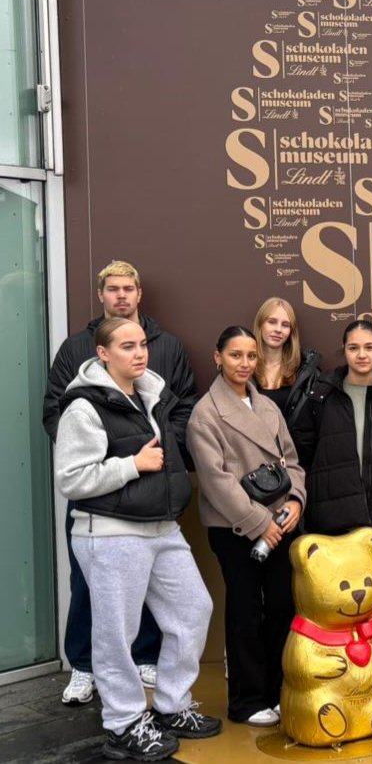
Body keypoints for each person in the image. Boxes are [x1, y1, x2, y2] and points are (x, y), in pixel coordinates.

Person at [54, 317, 218, 761]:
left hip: (161, 527)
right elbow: (71, 478)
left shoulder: (152, 395)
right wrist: (133, 464)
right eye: (127, 346)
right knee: (116, 634)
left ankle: (171, 705)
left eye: (142, 344)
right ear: (103, 353)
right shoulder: (84, 407)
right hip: (110, 534)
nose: (139, 353)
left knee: (193, 609)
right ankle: (124, 723)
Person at [43, 260, 197, 705]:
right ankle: (85, 666)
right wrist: (104, 452)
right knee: (90, 584)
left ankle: (146, 656)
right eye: (113, 289)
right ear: (101, 295)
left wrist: (165, 447)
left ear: (140, 293)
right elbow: (56, 409)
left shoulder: (166, 347)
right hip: (100, 494)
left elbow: (184, 403)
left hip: (153, 483)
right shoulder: (77, 348)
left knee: (151, 581)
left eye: (129, 288)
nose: (121, 296)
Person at [187, 326, 307, 726]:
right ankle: (247, 700)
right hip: (236, 528)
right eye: (235, 355)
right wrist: (259, 523)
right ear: (217, 357)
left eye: (251, 356)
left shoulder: (268, 407)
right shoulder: (206, 414)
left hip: (281, 522)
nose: (244, 363)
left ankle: (278, 690)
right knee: (244, 611)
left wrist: (295, 501)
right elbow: (216, 480)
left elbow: (292, 461)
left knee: (281, 607)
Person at [297, 319, 372, 705]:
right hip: (339, 515)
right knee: (341, 602)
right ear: (344, 351)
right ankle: (345, 676)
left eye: (369, 347)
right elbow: (302, 449)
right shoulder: (322, 396)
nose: (362, 355)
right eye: (354, 348)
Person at [252, 297, 321, 464]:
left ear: (291, 332)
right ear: (260, 324)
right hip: (253, 466)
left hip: (297, 465)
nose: (278, 330)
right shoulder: (244, 370)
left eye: (285, 325)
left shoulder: (307, 373)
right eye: (272, 322)